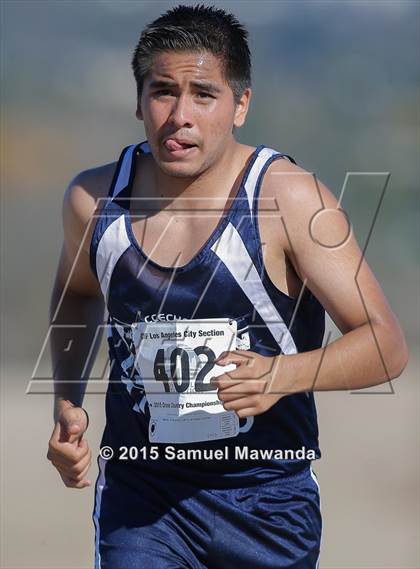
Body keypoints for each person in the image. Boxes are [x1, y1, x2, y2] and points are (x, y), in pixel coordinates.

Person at [46, 4, 408, 568]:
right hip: (142, 499)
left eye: (204, 95)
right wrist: (67, 401)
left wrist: (283, 375)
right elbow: (79, 291)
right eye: (163, 91)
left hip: (267, 500)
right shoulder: (93, 202)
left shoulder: (290, 200)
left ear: (241, 104)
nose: (179, 116)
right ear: (139, 100)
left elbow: (385, 344)